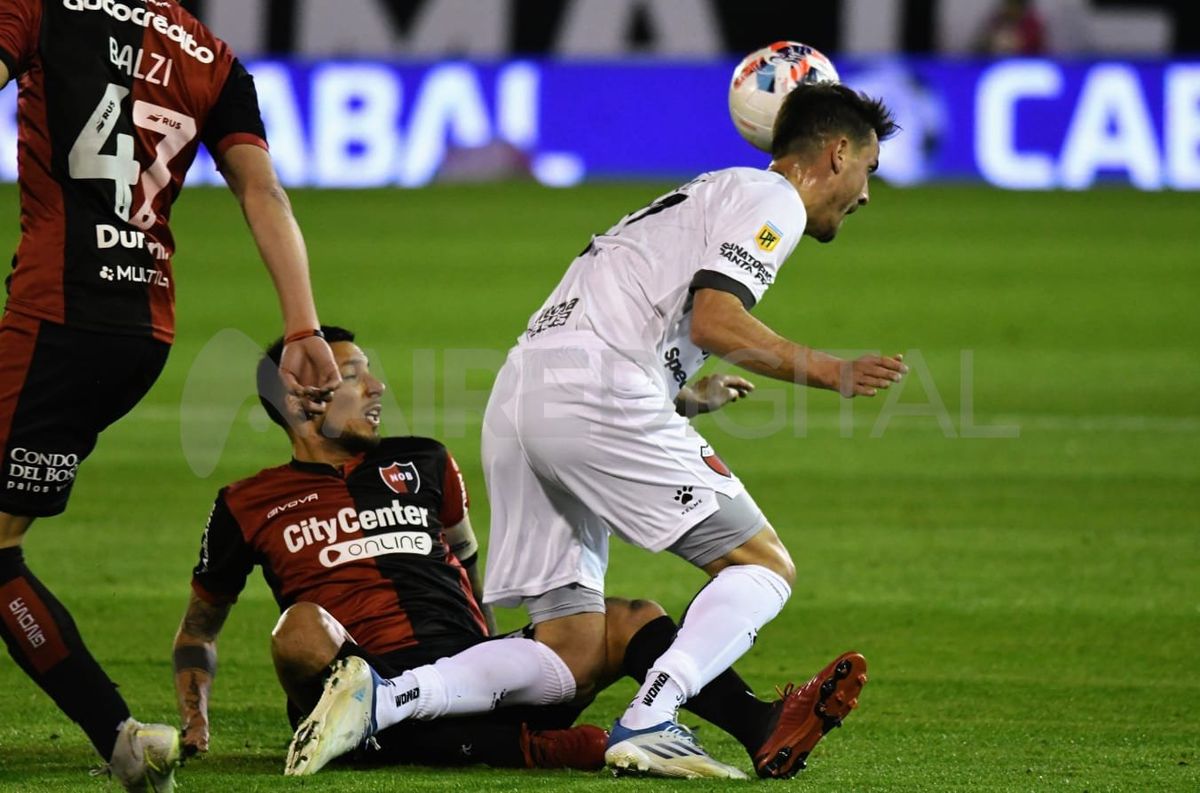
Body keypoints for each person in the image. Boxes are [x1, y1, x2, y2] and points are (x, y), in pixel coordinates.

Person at [477, 81, 903, 778]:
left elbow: (637, 308)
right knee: (762, 566)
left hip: (523, 390)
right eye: (870, 168)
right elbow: (715, 320)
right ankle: (652, 714)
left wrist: (673, 390)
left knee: (570, 647)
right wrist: (833, 372)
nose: (865, 193)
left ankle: (391, 701)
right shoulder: (772, 200)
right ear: (837, 152)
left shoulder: (706, 192)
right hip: (596, 392)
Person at [179, 327, 817, 779]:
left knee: (627, 619)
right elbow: (199, 630)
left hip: (469, 670)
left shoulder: (422, 460)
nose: (376, 386)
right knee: (298, 632)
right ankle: (532, 744)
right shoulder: (246, 502)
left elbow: (477, 553)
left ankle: (760, 727)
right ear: (301, 401)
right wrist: (194, 719)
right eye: (352, 376)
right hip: (360, 674)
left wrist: (668, 407)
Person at [0, 2, 339, 790]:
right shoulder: (214, 58)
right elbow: (263, 193)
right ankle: (120, 738)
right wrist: (301, 325)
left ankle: (121, 736)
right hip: (142, 330)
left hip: (57, 310)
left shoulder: (39, 7)